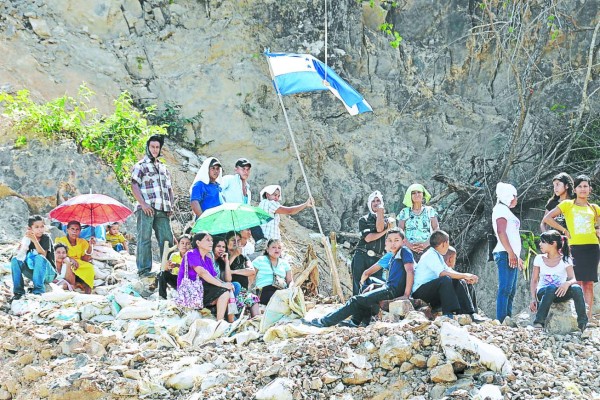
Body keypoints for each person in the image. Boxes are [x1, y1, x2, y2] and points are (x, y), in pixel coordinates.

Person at [303, 228, 415, 328]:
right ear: (386, 242)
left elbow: (410, 271)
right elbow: (394, 279)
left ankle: (324, 322)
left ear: (403, 242)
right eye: (390, 240)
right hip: (389, 288)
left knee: (356, 300)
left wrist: (406, 295)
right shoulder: (393, 256)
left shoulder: (404, 251)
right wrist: (377, 285)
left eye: (396, 240)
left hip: (392, 291)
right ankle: (356, 322)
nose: (393, 243)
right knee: (365, 293)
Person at [543, 174, 600, 319]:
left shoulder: (594, 208)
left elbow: (598, 227)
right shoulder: (568, 204)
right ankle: (578, 316)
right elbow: (547, 218)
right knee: (577, 282)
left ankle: (587, 316)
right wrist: (563, 231)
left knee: (589, 283)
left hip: (592, 247)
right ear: (574, 189)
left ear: (590, 189)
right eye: (579, 186)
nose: (583, 189)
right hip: (574, 247)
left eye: (585, 186)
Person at [412, 230, 481, 320]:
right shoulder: (430, 255)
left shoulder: (438, 255)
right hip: (420, 292)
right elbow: (442, 273)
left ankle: (470, 312)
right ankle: (448, 313)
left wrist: (467, 276)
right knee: (445, 279)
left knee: (461, 281)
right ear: (444, 243)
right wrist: (464, 275)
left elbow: (450, 271)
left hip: (432, 291)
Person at [131, 135, 174, 277]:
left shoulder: (163, 168)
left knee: (167, 239)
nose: (155, 150)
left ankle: (168, 269)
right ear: (148, 148)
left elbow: (169, 189)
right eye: (152, 147)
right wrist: (143, 204)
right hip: (147, 208)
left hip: (163, 208)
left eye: (157, 147)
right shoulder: (141, 166)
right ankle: (144, 270)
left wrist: (170, 205)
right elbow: (134, 184)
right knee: (144, 238)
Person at [529, 230, 587, 331]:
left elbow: (573, 278)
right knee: (551, 288)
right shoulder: (538, 258)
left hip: (560, 292)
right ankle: (539, 322)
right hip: (544, 292)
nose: (540, 244)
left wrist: (567, 283)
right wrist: (533, 299)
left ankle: (583, 323)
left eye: (543, 242)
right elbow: (534, 280)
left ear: (553, 244)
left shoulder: (565, 259)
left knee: (576, 288)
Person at [178, 232, 234, 321]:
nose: (211, 242)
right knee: (225, 292)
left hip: (203, 288)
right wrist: (223, 285)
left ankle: (229, 322)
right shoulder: (191, 253)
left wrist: (226, 284)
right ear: (198, 243)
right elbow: (202, 273)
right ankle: (220, 322)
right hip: (191, 290)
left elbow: (214, 276)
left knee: (229, 290)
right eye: (208, 240)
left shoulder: (207, 258)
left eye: (211, 240)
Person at [492, 182, 522, 322]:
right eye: (515, 196)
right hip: (505, 254)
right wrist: (510, 252)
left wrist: (516, 255)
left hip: (511, 254)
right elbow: (500, 231)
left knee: (511, 290)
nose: (516, 199)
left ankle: (507, 318)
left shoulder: (505, 210)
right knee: (505, 288)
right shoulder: (500, 210)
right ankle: (502, 319)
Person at [350, 191, 389, 295]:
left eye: (378, 201)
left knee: (375, 286)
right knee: (359, 284)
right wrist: (386, 231)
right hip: (362, 255)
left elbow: (379, 227)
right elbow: (368, 238)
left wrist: (380, 214)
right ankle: (356, 308)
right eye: (373, 201)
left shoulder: (387, 221)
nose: (376, 203)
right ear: (370, 204)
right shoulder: (364, 220)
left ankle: (372, 311)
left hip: (377, 258)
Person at [10, 215, 57, 301]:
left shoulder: (46, 238)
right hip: (34, 273)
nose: (40, 229)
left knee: (39, 257)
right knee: (15, 260)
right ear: (30, 228)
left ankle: (38, 291)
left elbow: (43, 254)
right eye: (37, 227)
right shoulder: (27, 239)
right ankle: (18, 292)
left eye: (42, 226)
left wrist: (34, 240)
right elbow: (19, 256)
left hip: (48, 273)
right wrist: (23, 244)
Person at [214, 233, 260, 317]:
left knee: (254, 299)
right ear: (227, 242)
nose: (236, 242)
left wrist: (233, 271)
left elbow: (251, 271)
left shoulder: (243, 257)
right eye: (233, 240)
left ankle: (256, 321)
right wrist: (234, 255)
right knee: (241, 299)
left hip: (244, 291)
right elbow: (224, 273)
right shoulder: (223, 256)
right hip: (233, 289)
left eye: (238, 240)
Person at [397, 183, 439, 262]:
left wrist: (427, 243)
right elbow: (400, 231)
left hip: (427, 248)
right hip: (408, 249)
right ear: (410, 196)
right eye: (413, 193)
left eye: (419, 192)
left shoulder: (430, 210)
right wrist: (409, 245)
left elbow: (436, 228)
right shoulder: (404, 212)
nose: (416, 195)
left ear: (423, 194)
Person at [55, 221, 95, 294]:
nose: (74, 231)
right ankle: (71, 288)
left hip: (79, 263)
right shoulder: (61, 240)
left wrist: (90, 246)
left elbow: (85, 259)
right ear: (67, 230)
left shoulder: (82, 242)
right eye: (72, 229)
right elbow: (58, 254)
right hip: (65, 261)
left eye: (77, 229)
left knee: (90, 267)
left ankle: (88, 291)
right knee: (71, 265)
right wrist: (70, 259)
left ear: (80, 231)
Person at [252, 239, 293, 305]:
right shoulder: (260, 260)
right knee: (276, 299)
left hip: (281, 291)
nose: (277, 249)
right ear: (267, 249)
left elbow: (290, 281)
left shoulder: (285, 263)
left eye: (279, 248)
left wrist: (290, 289)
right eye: (274, 247)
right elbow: (251, 277)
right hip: (264, 290)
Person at [443, 246, 478, 313]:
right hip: (442, 296)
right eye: (455, 258)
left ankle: (475, 312)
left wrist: (467, 278)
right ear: (450, 259)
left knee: (468, 284)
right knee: (459, 281)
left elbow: (456, 274)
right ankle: (468, 312)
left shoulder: (447, 268)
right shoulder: (441, 267)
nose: (455, 260)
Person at [157, 235, 191, 300]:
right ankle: (162, 297)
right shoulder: (174, 255)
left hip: (188, 282)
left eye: (187, 244)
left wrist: (177, 265)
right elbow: (166, 270)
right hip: (176, 280)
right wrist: (168, 266)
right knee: (162, 274)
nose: (184, 245)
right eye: (182, 243)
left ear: (191, 246)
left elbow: (191, 270)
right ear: (178, 245)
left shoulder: (192, 256)